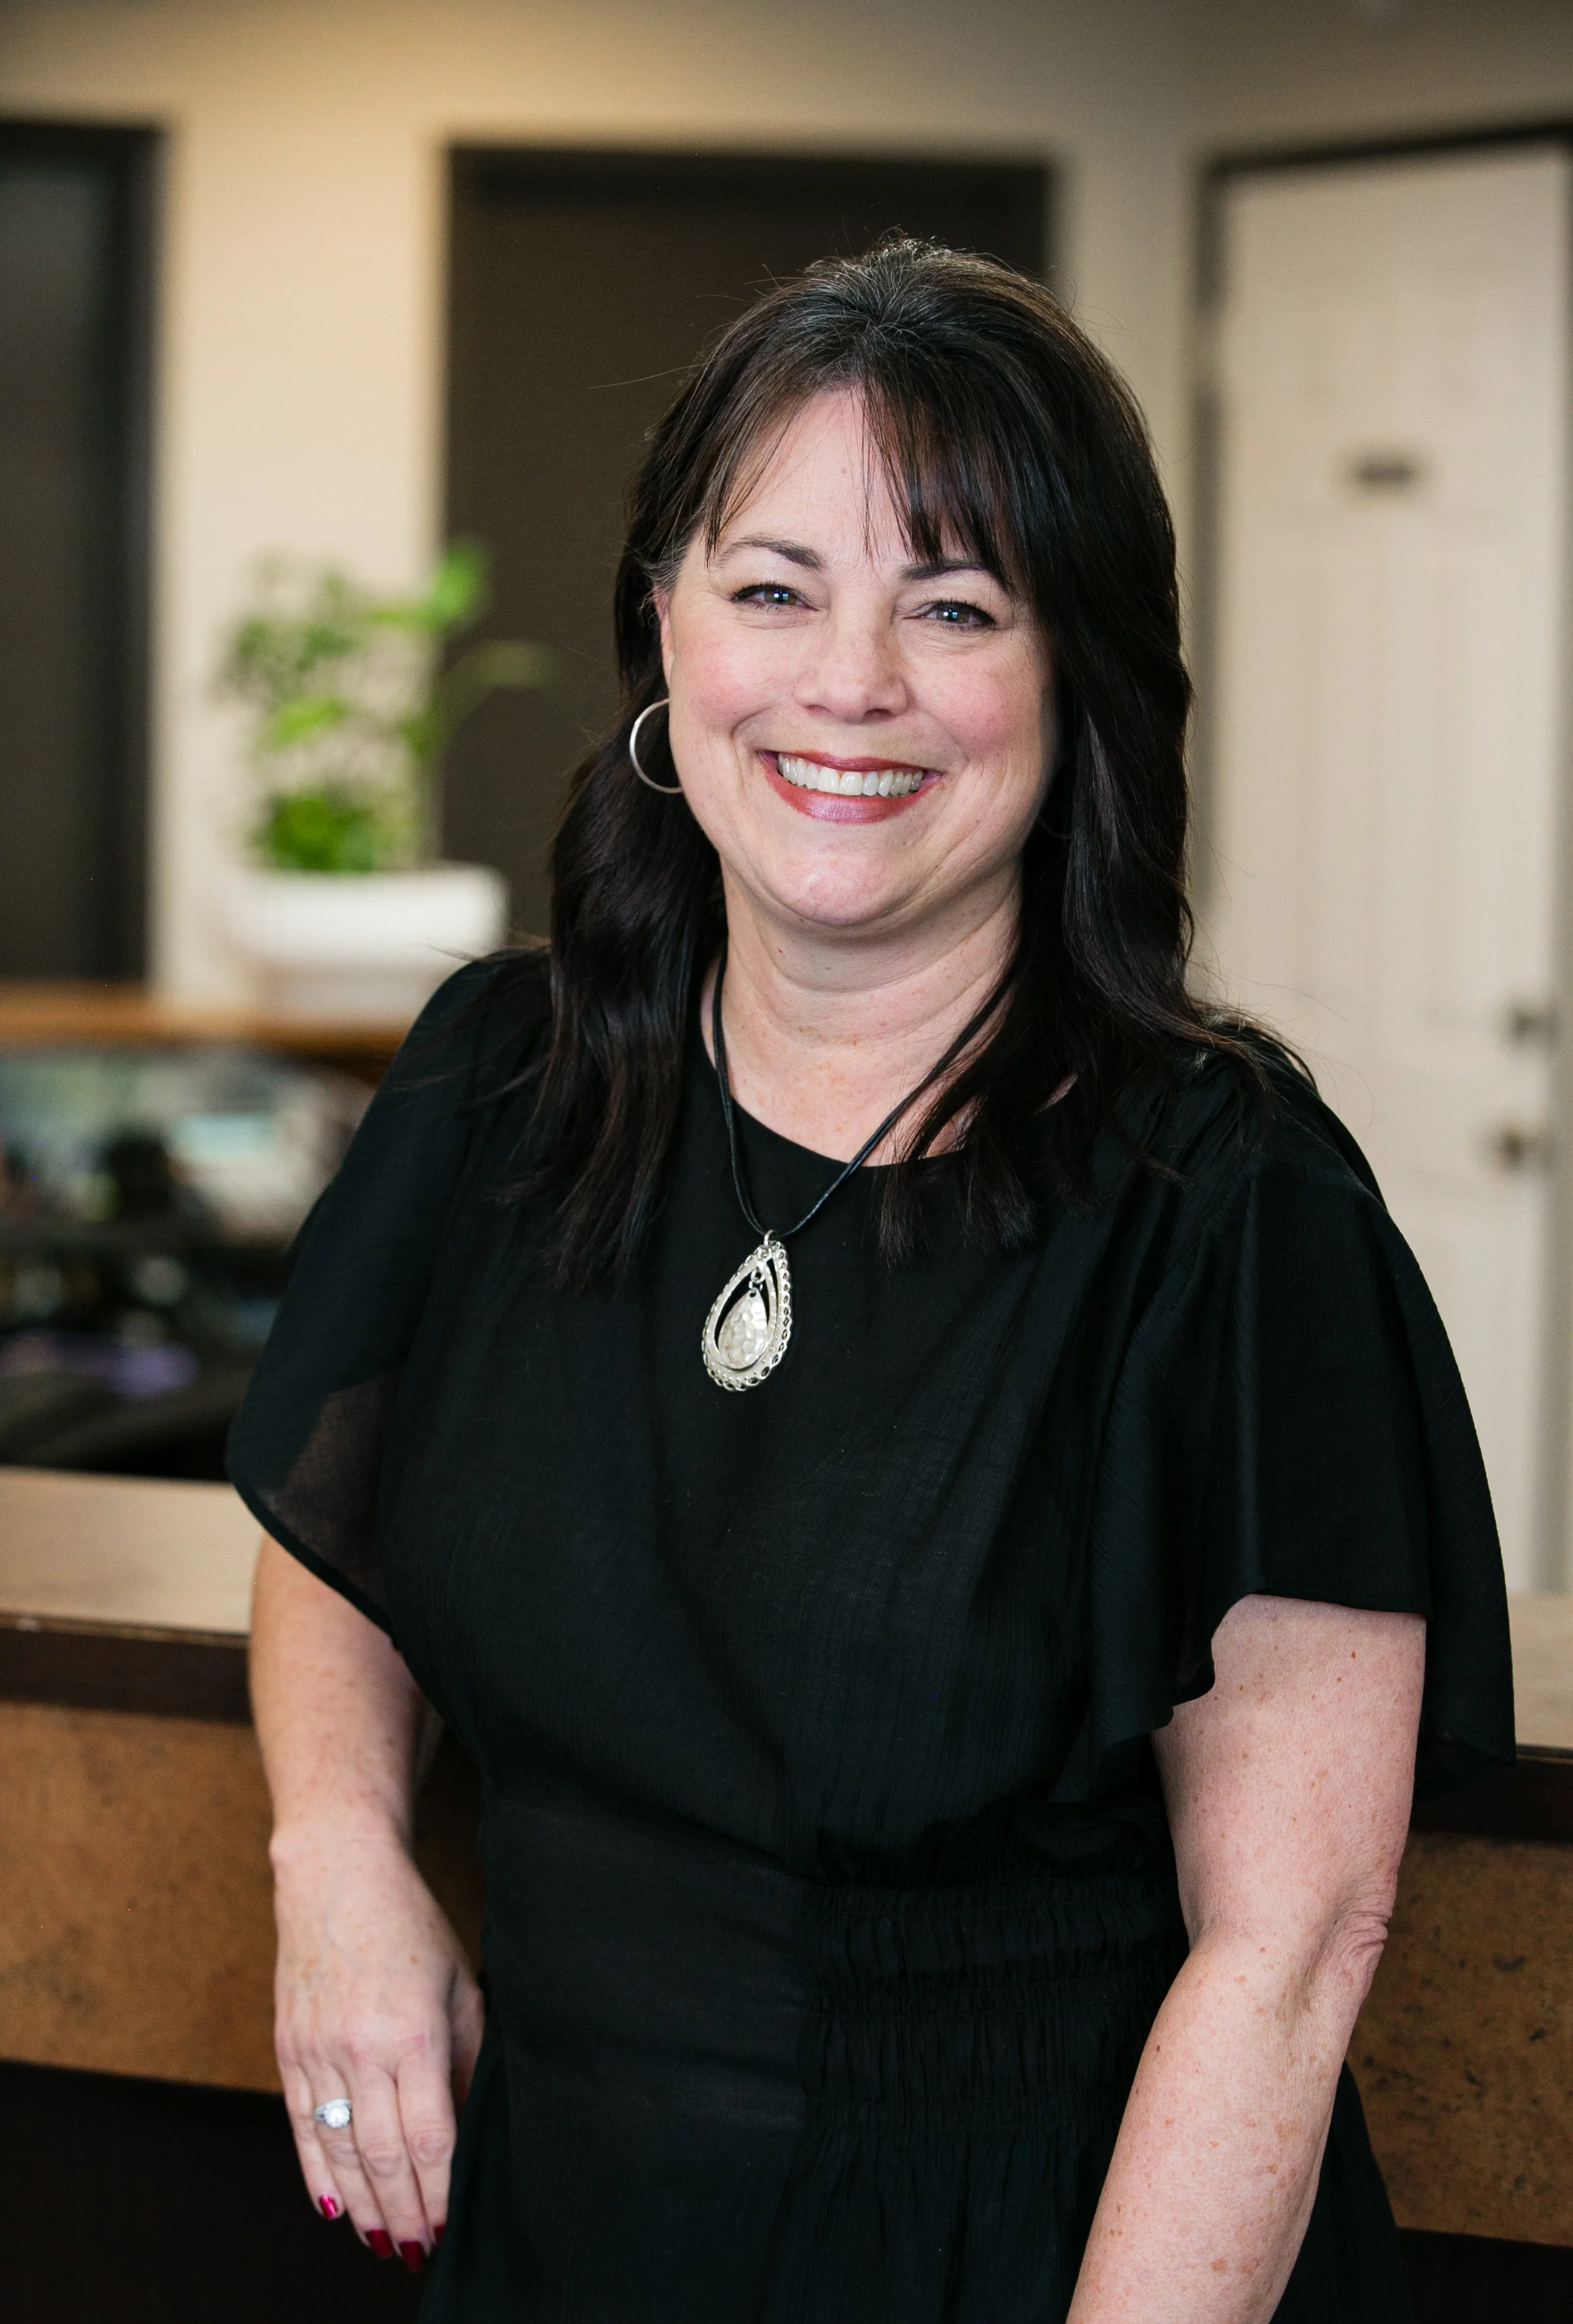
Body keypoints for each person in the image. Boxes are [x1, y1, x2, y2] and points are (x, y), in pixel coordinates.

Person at [232, 239, 1513, 2323]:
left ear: (1076, 676)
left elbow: (1288, 1950)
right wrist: (340, 1856)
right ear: (662, 620)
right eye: (773, 588)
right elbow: (337, 1527)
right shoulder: (503, 1082)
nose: (849, 683)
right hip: (558, 2225)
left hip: (1010, 2257)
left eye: (953, 606)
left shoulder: (1222, 1209)